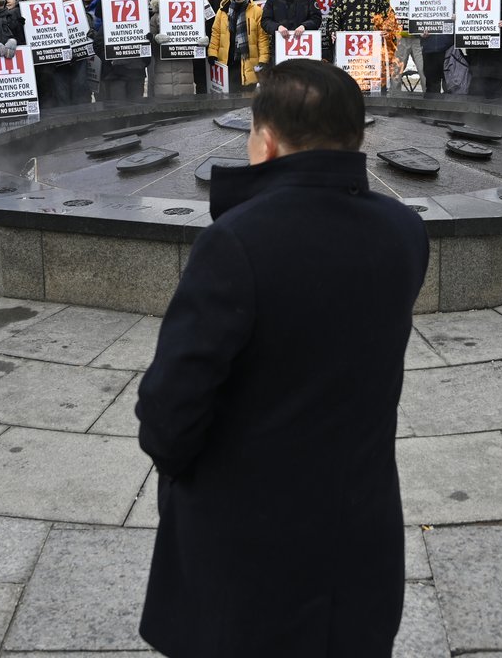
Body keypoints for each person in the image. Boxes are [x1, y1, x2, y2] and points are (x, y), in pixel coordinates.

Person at [136, 59, 429, 658]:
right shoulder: (403, 230)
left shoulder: (236, 242)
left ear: (265, 143)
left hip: (250, 540)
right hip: (360, 525)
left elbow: (170, 410)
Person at [208, 0, 270, 91]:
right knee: (228, 98)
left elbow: (262, 38)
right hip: (227, 60)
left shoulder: (257, 11)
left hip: (248, 61)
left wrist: (263, 59)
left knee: (247, 99)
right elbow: (216, 33)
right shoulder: (223, 9)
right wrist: (212, 53)